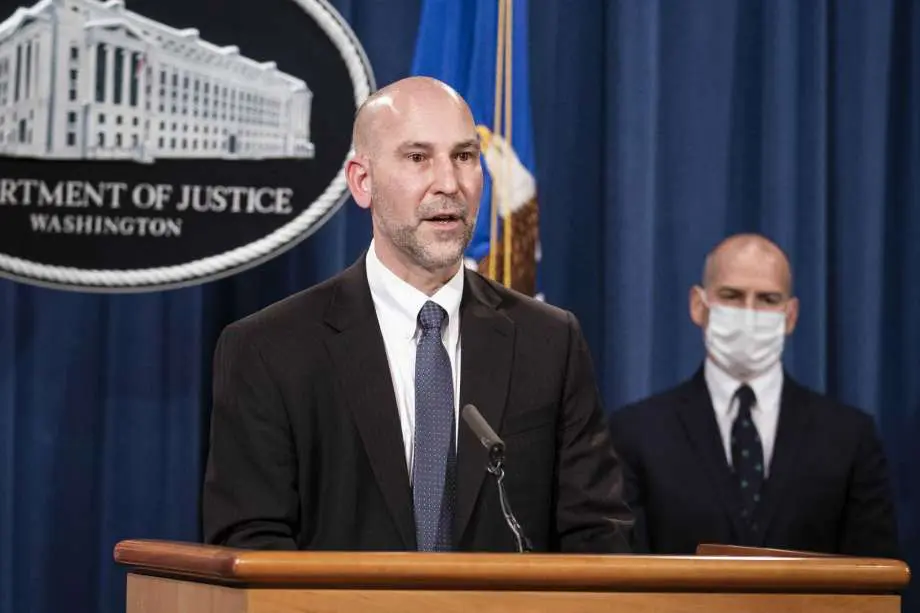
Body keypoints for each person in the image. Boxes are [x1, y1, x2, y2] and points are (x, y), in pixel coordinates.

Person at [201, 76, 632, 553]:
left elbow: (598, 537)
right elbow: (251, 546)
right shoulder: (271, 349)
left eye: (465, 157)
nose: (449, 184)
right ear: (363, 182)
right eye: (417, 157)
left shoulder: (550, 342)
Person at [609, 234, 900, 557]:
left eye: (767, 300)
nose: (749, 313)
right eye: (731, 296)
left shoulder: (849, 438)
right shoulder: (637, 433)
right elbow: (627, 578)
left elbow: (876, 580)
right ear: (698, 305)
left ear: (790, 316)